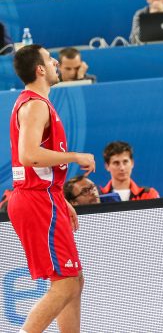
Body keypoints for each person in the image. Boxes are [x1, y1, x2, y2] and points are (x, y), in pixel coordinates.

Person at [7, 44, 96, 333]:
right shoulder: (35, 105)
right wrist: (75, 156)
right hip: (36, 200)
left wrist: (60, 197)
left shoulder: (35, 102)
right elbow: (29, 155)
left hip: (44, 196)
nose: (56, 61)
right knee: (66, 283)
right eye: (49, 58)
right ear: (40, 69)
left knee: (74, 280)